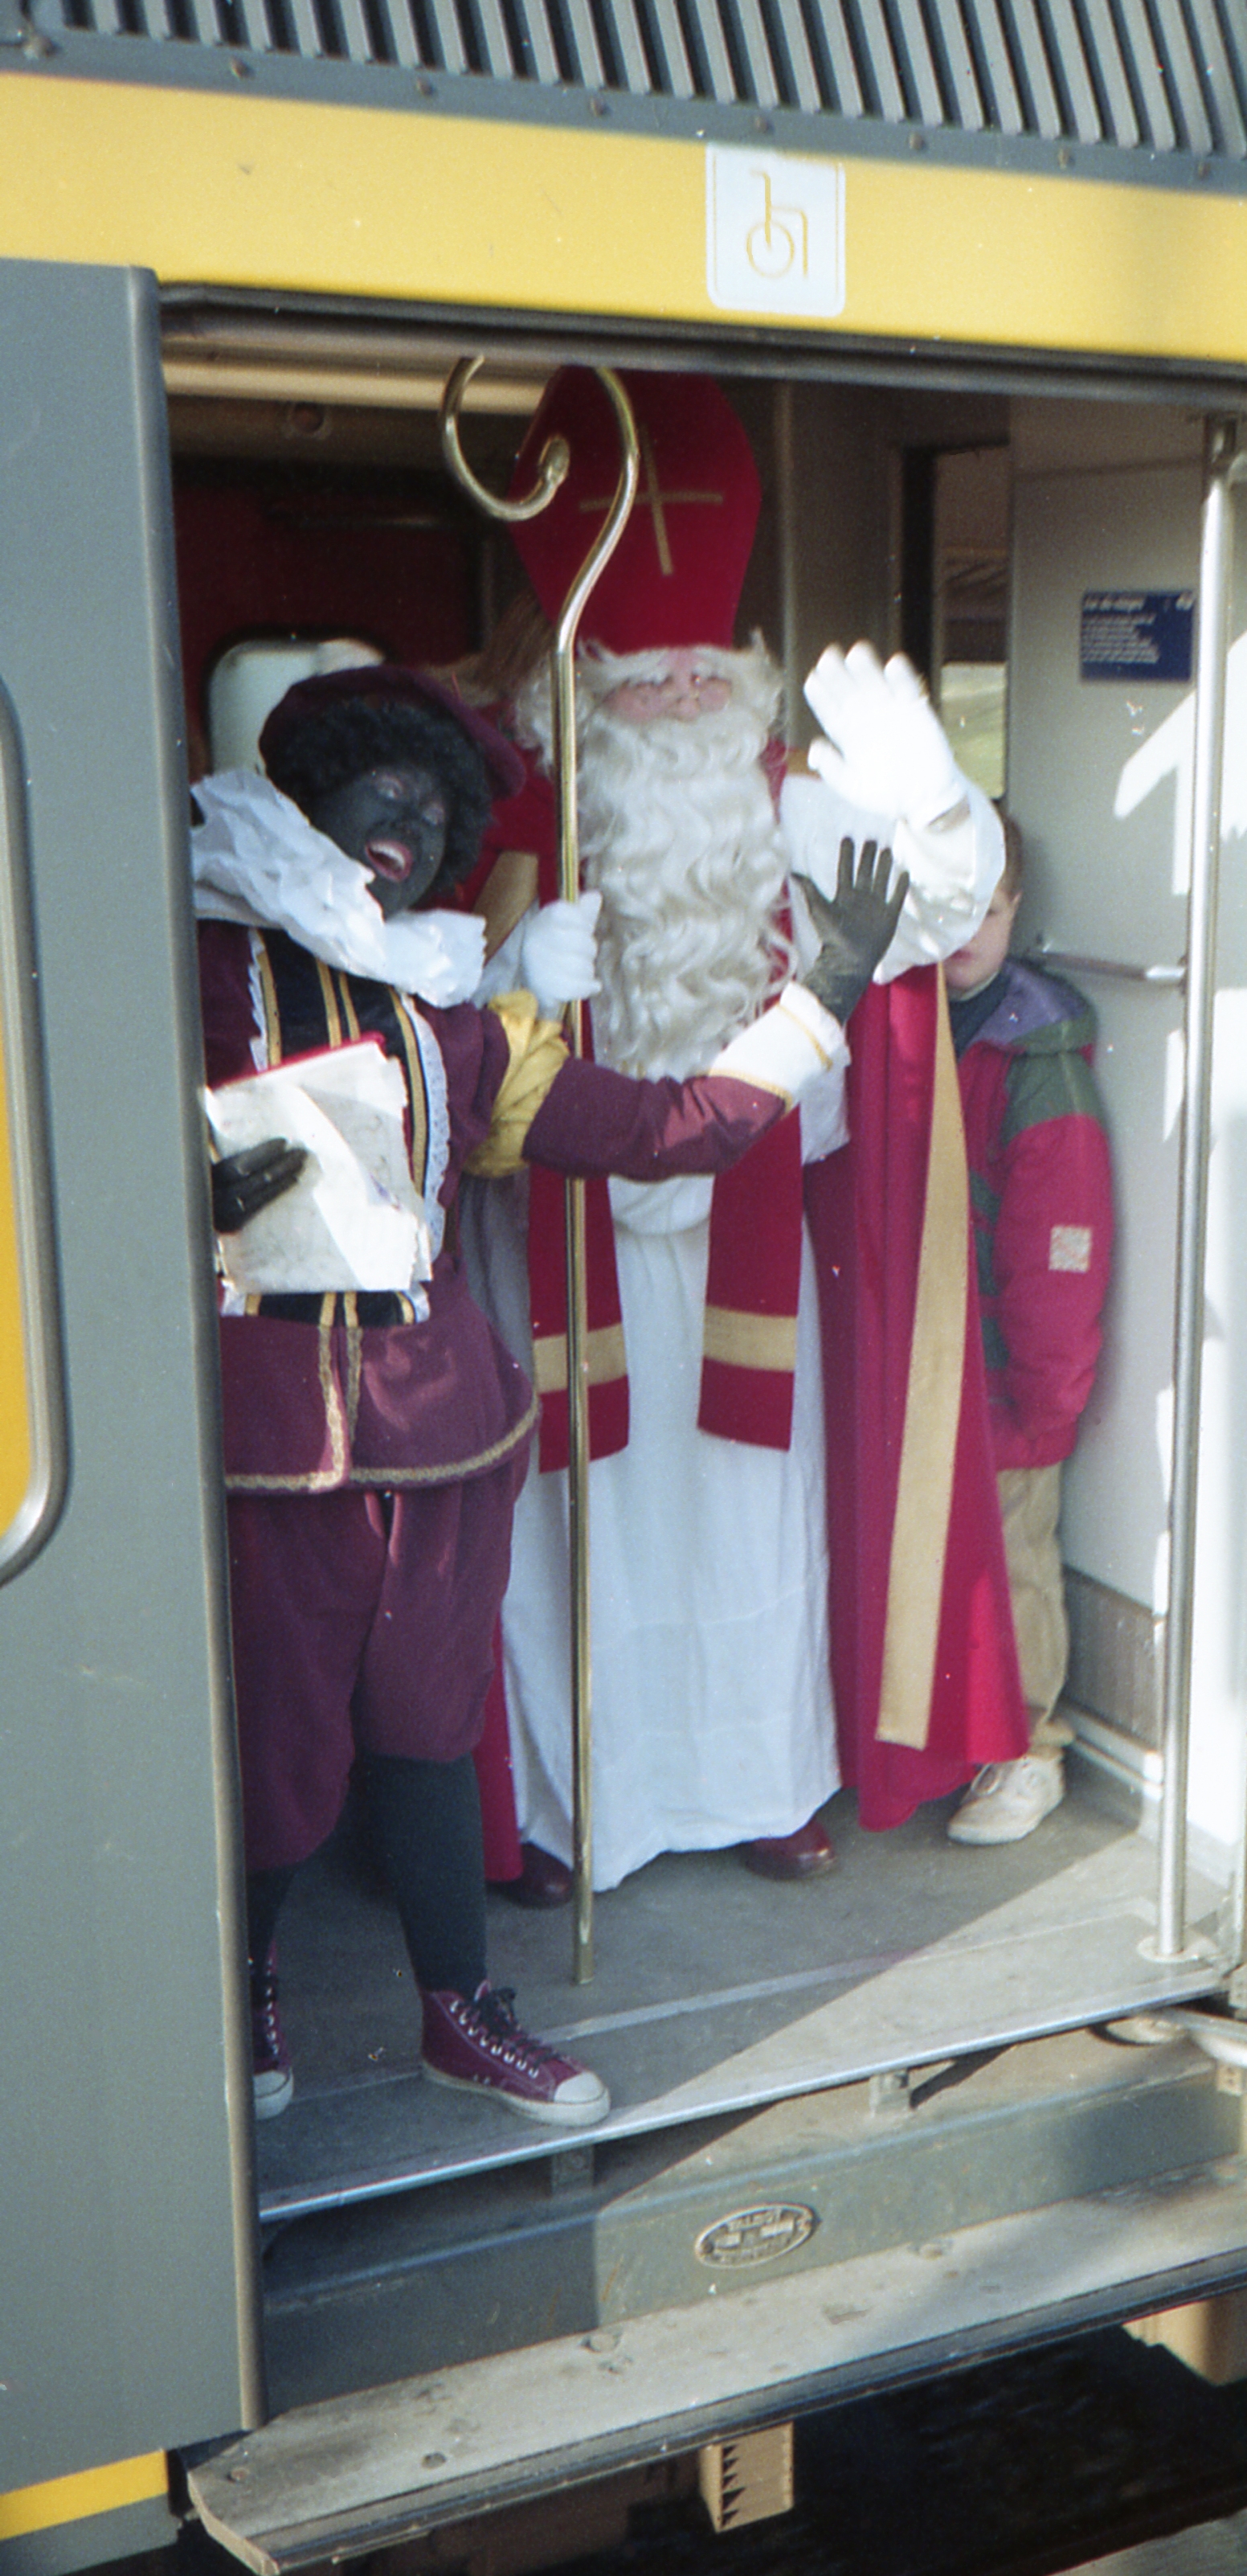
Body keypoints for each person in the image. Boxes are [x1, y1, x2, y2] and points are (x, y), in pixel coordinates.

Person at [196, 661, 905, 2123]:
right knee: (278, 1737)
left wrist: (822, 995)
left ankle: (460, 2008)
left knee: (424, 1725)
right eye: (377, 789)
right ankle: (242, 1981)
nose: (401, 820)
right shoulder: (195, 964)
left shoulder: (466, 1016)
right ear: (315, 797)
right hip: (275, 1441)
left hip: (447, 1434)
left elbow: (668, 1129)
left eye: (433, 805)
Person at [463, 368, 1026, 1899]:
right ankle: (573, 1807)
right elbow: (406, 1025)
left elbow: (947, 919)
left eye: (704, 679)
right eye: (642, 684)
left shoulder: (783, 804)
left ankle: (758, 1781)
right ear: (579, 690)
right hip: (551, 1229)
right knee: (569, 1527)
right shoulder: (518, 812)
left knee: (746, 1517)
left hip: (749, 1229)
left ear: (745, 682)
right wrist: (505, 974)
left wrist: (936, 799)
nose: (678, 706)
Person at [941, 813, 1114, 1845]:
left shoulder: (1035, 1059)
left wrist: (1045, 1392)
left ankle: (1029, 1747)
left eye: (986, 906)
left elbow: (1061, 1242)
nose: (963, 926)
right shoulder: (918, 1022)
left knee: (1013, 1561)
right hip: (933, 1361)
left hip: (1006, 1372)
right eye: (945, 906)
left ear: (1015, 911)